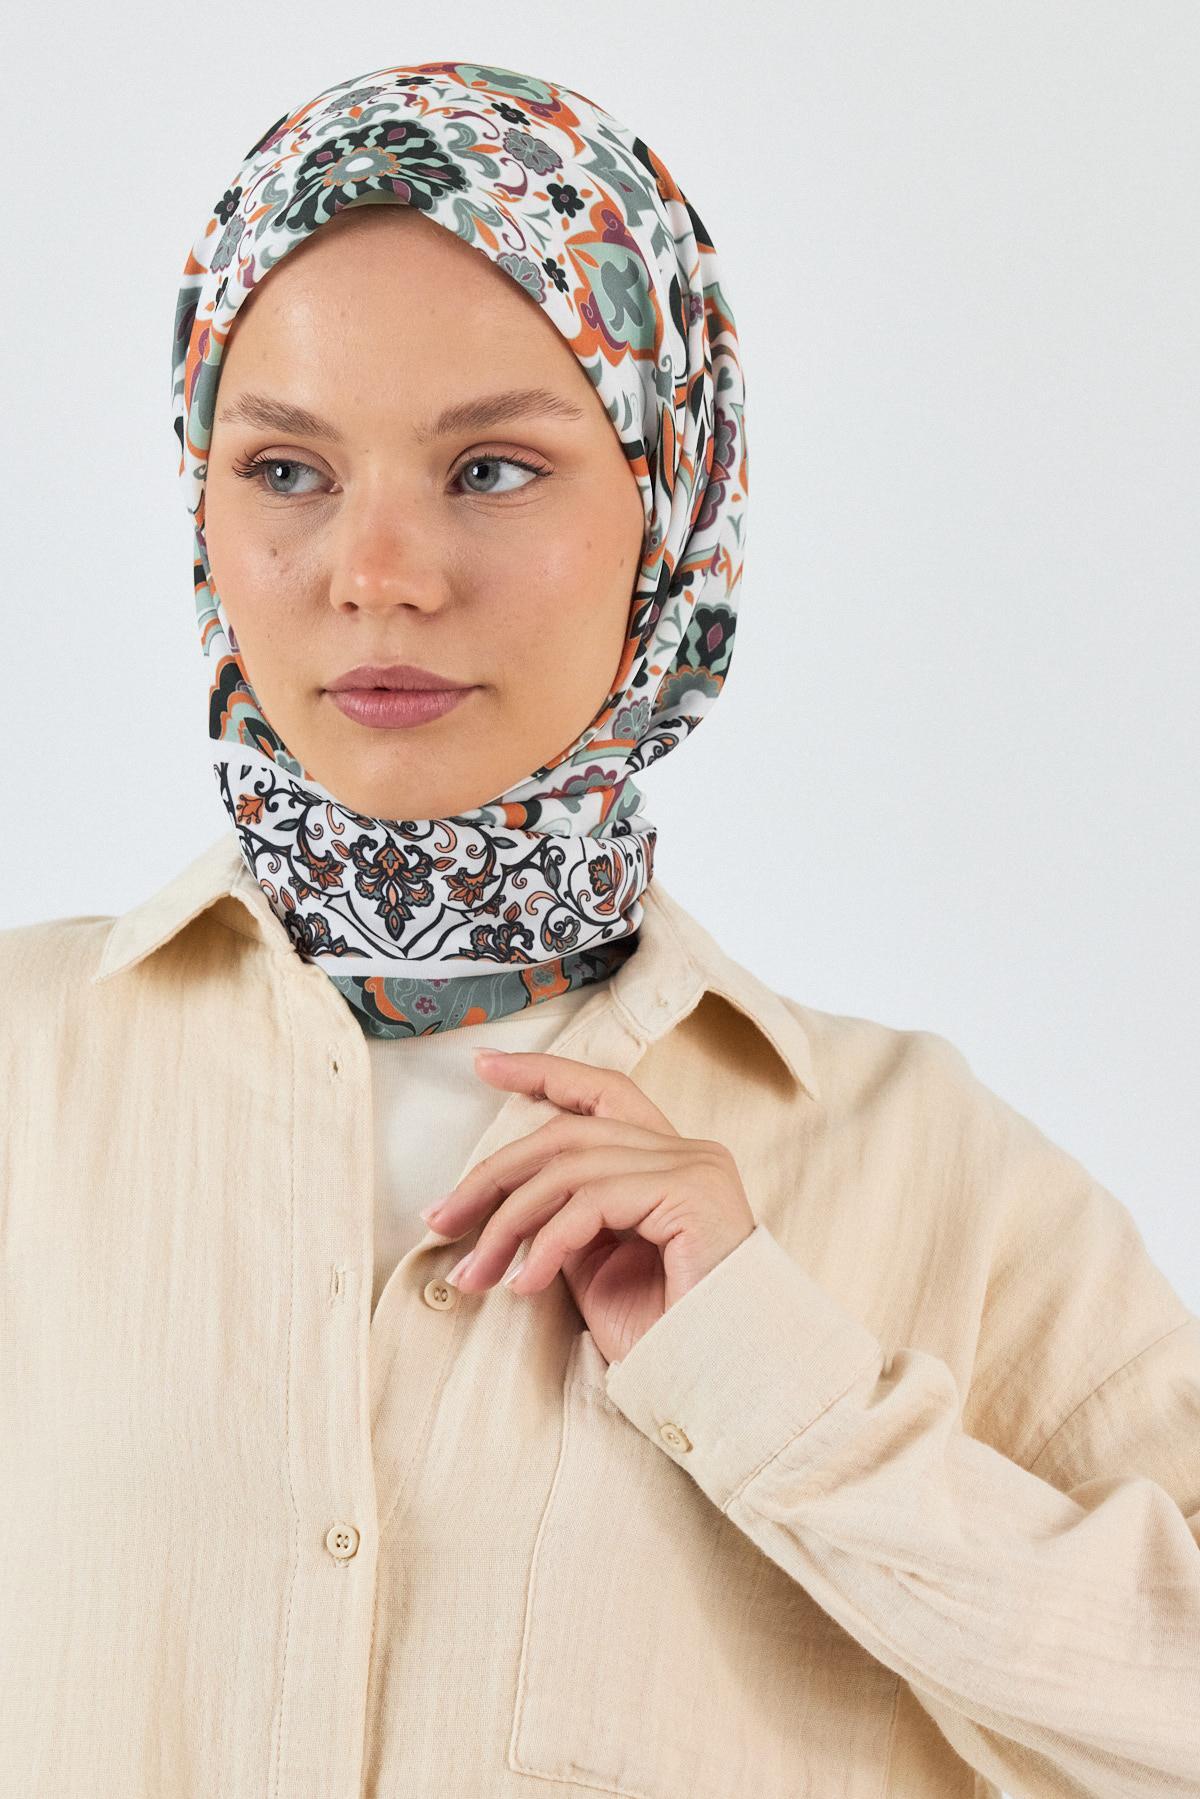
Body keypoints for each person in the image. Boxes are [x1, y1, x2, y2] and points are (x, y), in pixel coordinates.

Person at [0, 60, 1196, 1799]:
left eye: (492, 468)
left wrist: (775, 1384)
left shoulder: (927, 1174)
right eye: (286, 468)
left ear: (674, 503)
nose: (379, 572)